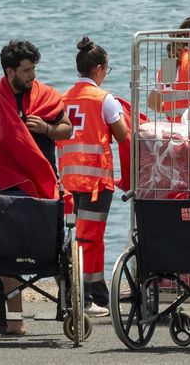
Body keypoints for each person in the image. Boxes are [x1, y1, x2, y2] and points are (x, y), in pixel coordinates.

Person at [0, 40, 73, 335]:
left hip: (43, 186)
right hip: (8, 190)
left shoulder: (46, 97)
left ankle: (63, 305)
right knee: (6, 254)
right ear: (9, 71)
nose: (32, 75)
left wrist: (47, 129)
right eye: (26, 70)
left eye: (34, 68)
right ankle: (15, 319)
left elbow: (68, 129)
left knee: (53, 250)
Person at [57, 37, 128, 318]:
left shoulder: (63, 99)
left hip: (69, 180)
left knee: (82, 239)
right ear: (99, 69)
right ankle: (86, 296)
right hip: (96, 182)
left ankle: (95, 292)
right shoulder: (103, 98)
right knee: (90, 240)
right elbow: (122, 134)